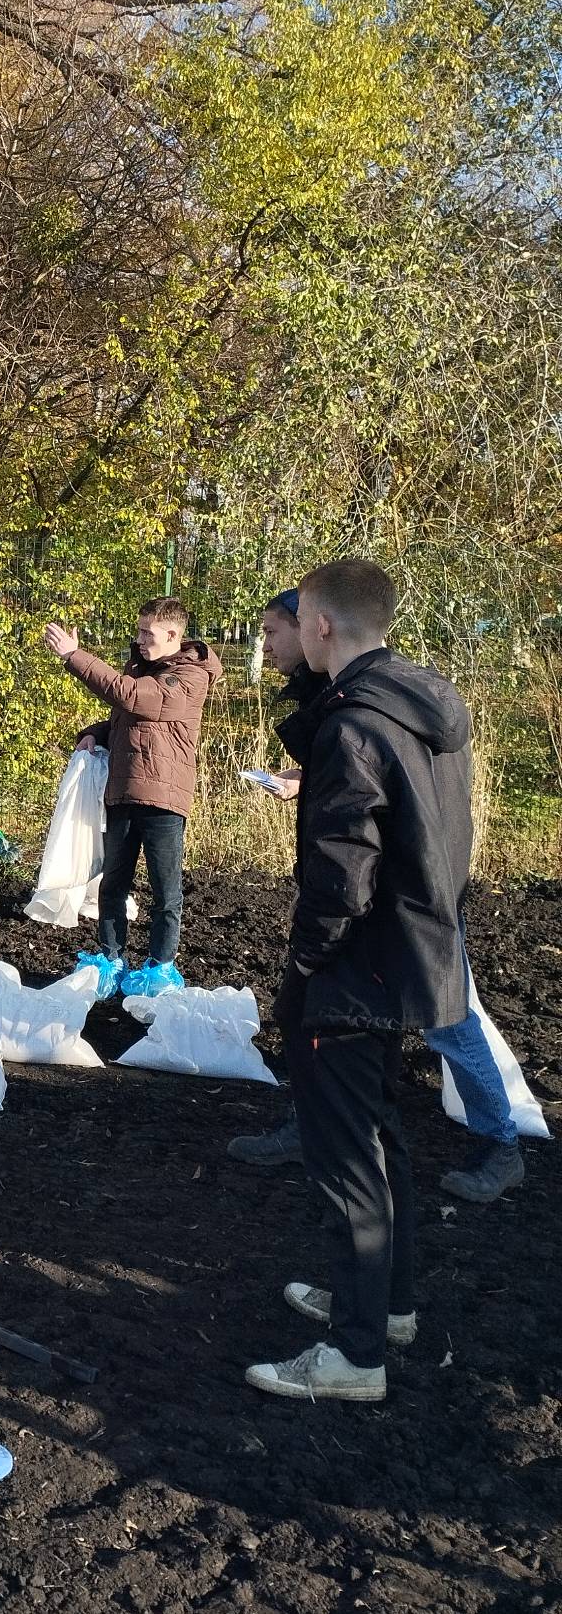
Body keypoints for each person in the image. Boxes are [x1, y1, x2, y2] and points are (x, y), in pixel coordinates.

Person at [246, 560, 472, 1404]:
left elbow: (342, 876)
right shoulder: (419, 709)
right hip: (410, 956)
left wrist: (306, 964)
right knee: (383, 1140)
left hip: (353, 971)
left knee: (348, 1162)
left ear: (323, 627)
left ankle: (353, 1355)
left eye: (296, 619)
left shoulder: (352, 729)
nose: (291, 634)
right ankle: (387, 1307)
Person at [228, 588, 526, 1204]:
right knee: (345, 1028)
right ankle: (312, 1124)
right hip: (392, 889)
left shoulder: (373, 698)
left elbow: (394, 788)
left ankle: (501, 1144)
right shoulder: (357, 692)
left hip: (411, 894)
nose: (269, 645)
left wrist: (323, 924)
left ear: (319, 626)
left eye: (275, 632)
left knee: (447, 1020)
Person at [43, 598, 222, 996]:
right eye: (139, 631)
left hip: (162, 799)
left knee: (165, 890)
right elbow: (126, 718)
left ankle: (160, 968)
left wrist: (75, 657)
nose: (139, 640)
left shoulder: (189, 677)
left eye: (148, 634)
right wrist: (94, 733)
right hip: (123, 791)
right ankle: (110, 960)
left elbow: (135, 698)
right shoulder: (142, 667)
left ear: (173, 635)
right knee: (113, 884)